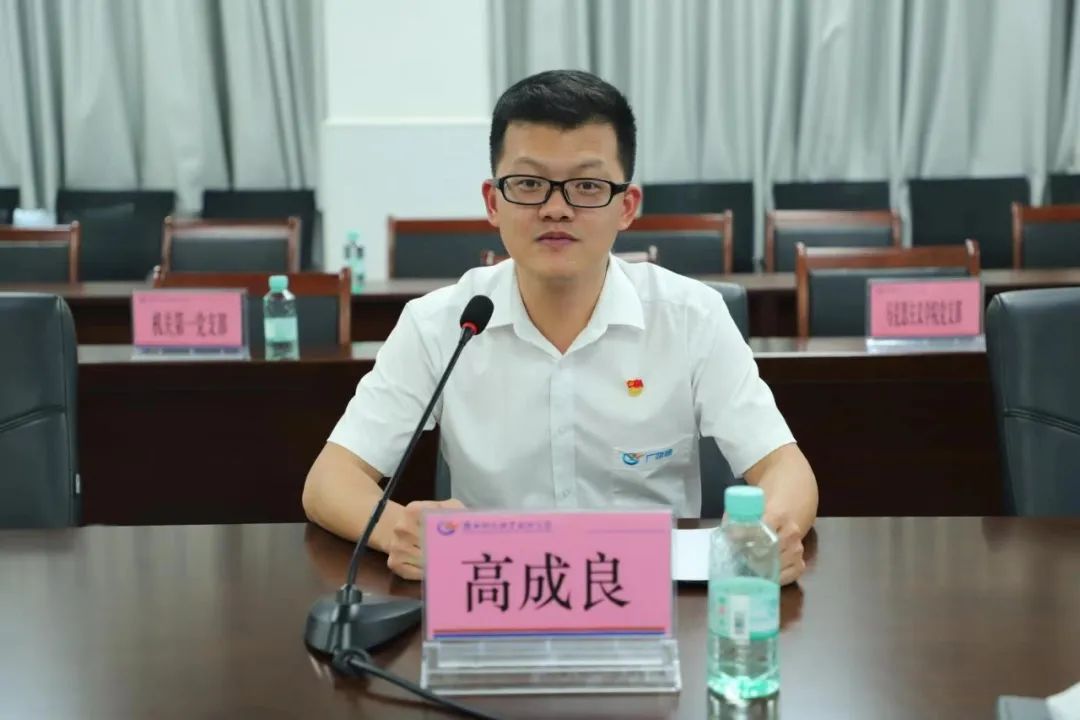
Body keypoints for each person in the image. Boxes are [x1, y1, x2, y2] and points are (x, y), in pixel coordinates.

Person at [303, 69, 818, 585]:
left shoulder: (691, 316)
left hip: (651, 599)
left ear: (627, 207)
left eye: (587, 186)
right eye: (529, 184)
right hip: (497, 594)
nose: (556, 209)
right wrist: (398, 531)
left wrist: (770, 534)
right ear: (492, 201)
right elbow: (330, 480)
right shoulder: (441, 324)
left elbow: (784, 468)